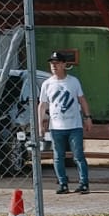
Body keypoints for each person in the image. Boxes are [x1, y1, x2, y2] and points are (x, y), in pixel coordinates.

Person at [38, 49, 91, 194]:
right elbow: (42, 105)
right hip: (56, 127)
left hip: (74, 125)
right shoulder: (47, 84)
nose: (54, 66)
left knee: (78, 155)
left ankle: (84, 182)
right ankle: (62, 183)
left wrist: (87, 117)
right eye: (52, 63)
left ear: (64, 64)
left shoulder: (73, 81)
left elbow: (82, 99)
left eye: (57, 63)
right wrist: (40, 124)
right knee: (58, 156)